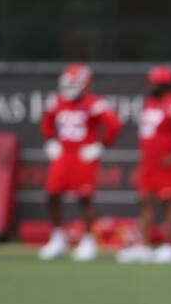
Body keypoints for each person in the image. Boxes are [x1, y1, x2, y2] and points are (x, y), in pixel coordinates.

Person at [38, 64, 121, 261]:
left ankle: (88, 240)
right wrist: (50, 140)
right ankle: (57, 238)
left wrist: (102, 146)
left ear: (85, 84)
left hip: (83, 155)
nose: (69, 87)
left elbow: (114, 124)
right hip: (63, 154)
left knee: (84, 198)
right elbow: (47, 121)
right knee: (52, 194)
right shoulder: (57, 101)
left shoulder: (94, 103)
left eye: (74, 83)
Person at [117, 66, 171, 264]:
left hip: (167, 162)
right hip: (149, 161)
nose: (150, 86)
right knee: (145, 200)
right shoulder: (150, 102)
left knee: (169, 201)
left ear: (164, 84)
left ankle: (170, 246)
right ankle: (144, 245)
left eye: (154, 82)